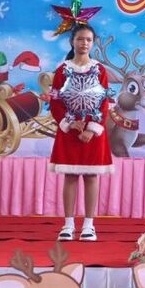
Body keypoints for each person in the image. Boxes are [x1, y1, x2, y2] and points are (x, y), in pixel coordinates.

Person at [49, 23, 113, 241]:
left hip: (92, 134)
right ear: (72, 41)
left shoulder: (100, 70)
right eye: (80, 39)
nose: (84, 43)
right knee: (70, 175)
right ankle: (68, 225)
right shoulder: (62, 70)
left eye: (88, 40)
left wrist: (92, 129)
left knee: (91, 176)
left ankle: (89, 225)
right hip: (70, 133)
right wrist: (70, 123)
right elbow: (55, 102)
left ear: (93, 43)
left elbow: (105, 103)